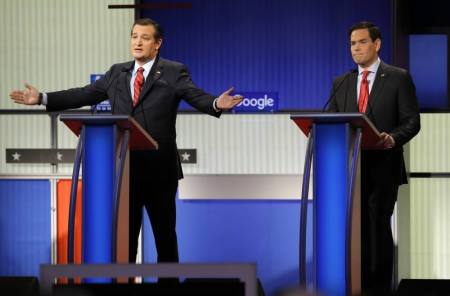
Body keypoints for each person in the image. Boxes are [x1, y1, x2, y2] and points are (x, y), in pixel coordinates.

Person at [9, 18, 243, 269]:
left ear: (157, 43)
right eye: (134, 36)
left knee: (165, 237)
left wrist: (216, 104)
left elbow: (195, 96)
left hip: (159, 170)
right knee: (125, 240)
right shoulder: (117, 72)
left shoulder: (174, 71)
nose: (137, 42)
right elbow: (84, 94)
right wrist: (43, 98)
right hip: (124, 170)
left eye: (144, 37)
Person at [327, 21, 420, 295]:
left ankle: (380, 289)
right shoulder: (341, 82)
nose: (356, 48)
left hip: (384, 166)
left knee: (377, 223)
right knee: (357, 228)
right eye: (352, 44)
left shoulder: (398, 77)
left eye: (362, 42)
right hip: (352, 169)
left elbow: (412, 121)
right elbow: (332, 121)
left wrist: (391, 138)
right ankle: (359, 286)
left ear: (377, 44)